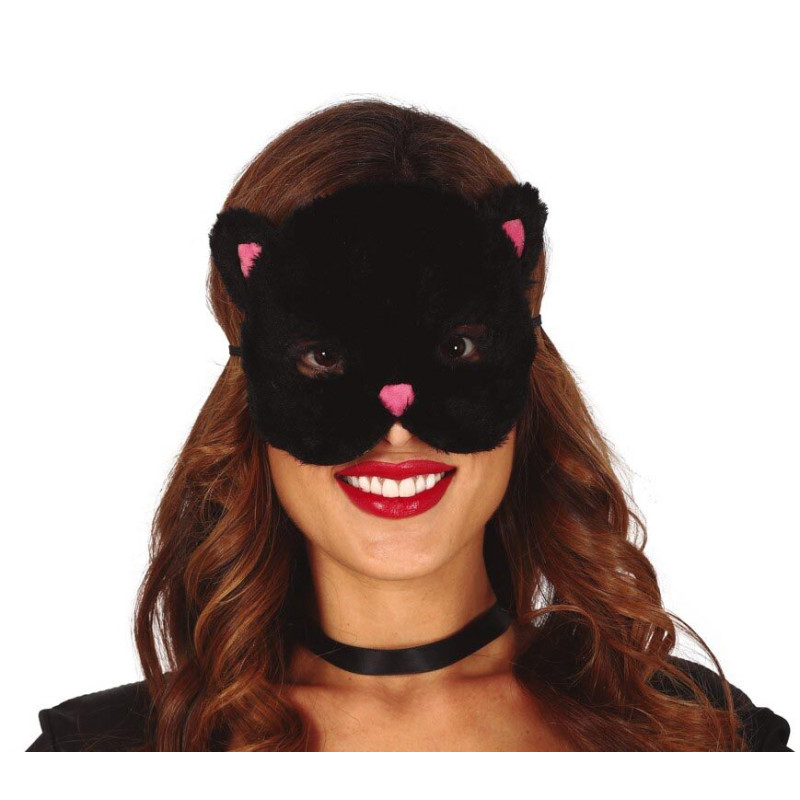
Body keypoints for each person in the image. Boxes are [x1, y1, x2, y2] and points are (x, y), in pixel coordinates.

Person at [26, 99, 792, 752]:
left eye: (453, 349)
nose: (396, 433)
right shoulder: (100, 760)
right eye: (327, 356)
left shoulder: (699, 738)